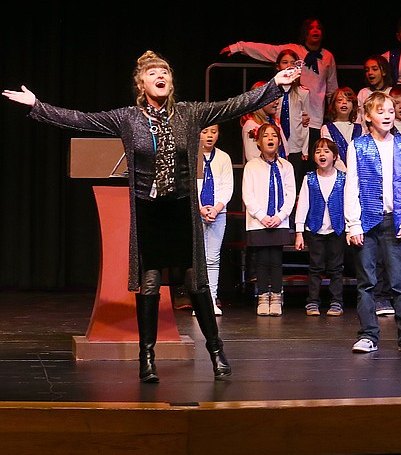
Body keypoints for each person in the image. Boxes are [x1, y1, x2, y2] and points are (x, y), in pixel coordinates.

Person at [5, 50, 300, 381]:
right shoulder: (128, 118)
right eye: (153, 73)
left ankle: (216, 353)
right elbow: (82, 119)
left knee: (196, 283)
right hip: (149, 210)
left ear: (170, 82)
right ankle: (147, 359)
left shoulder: (189, 114)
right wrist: (37, 106)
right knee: (149, 284)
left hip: (180, 209)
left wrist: (275, 84)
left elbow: (235, 105)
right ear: (141, 82)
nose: (161, 76)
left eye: (165, 73)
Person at [343, 91, 401, 354]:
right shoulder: (358, 146)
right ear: (367, 116)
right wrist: (353, 224)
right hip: (366, 221)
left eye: (390, 110)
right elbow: (351, 186)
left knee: (399, 282)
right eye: (381, 111)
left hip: (394, 221)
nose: (388, 115)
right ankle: (368, 334)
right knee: (366, 282)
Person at [221, 17, 338, 147]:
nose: (315, 30)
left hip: (314, 116)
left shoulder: (328, 56)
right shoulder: (293, 51)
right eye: (311, 28)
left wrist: (335, 113)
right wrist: (238, 47)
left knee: (310, 155)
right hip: (289, 115)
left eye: (318, 28)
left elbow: (332, 88)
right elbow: (266, 50)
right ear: (305, 32)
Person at [244, 123, 296, 316]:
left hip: (279, 221)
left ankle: (276, 295)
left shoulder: (287, 166)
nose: (270, 139)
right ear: (258, 141)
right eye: (266, 136)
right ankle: (262, 296)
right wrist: (262, 216)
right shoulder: (251, 166)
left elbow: (291, 194)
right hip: (258, 222)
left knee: (275, 259)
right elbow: (247, 195)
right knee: (261, 260)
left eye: (274, 135)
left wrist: (280, 216)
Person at [294, 138, 348, 318]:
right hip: (315, 229)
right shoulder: (309, 178)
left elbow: (348, 204)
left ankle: (336, 301)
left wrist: (349, 228)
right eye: (318, 152)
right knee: (315, 267)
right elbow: (302, 204)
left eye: (326, 151)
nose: (322, 155)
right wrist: (299, 232)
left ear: (334, 156)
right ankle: (312, 301)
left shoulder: (343, 178)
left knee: (336, 267)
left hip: (337, 229)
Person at [196, 124, 232, 313]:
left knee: (212, 258)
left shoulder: (224, 157)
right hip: (197, 212)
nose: (210, 136)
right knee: (198, 259)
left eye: (214, 132)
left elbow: (227, 187)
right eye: (205, 132)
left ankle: (210, 299)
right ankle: (198, 302)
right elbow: (190, 185)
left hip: (218, 213)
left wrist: (216, 209)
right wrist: (201, 209)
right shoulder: (192, 156)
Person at [320, 87, 362, 173]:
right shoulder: (327, 128)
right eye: (339, 100)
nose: (344, 103)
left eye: (348, 100)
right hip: (338, 173)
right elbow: (330, 153)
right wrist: (345, 172)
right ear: (334, 105)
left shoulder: (360, 129)